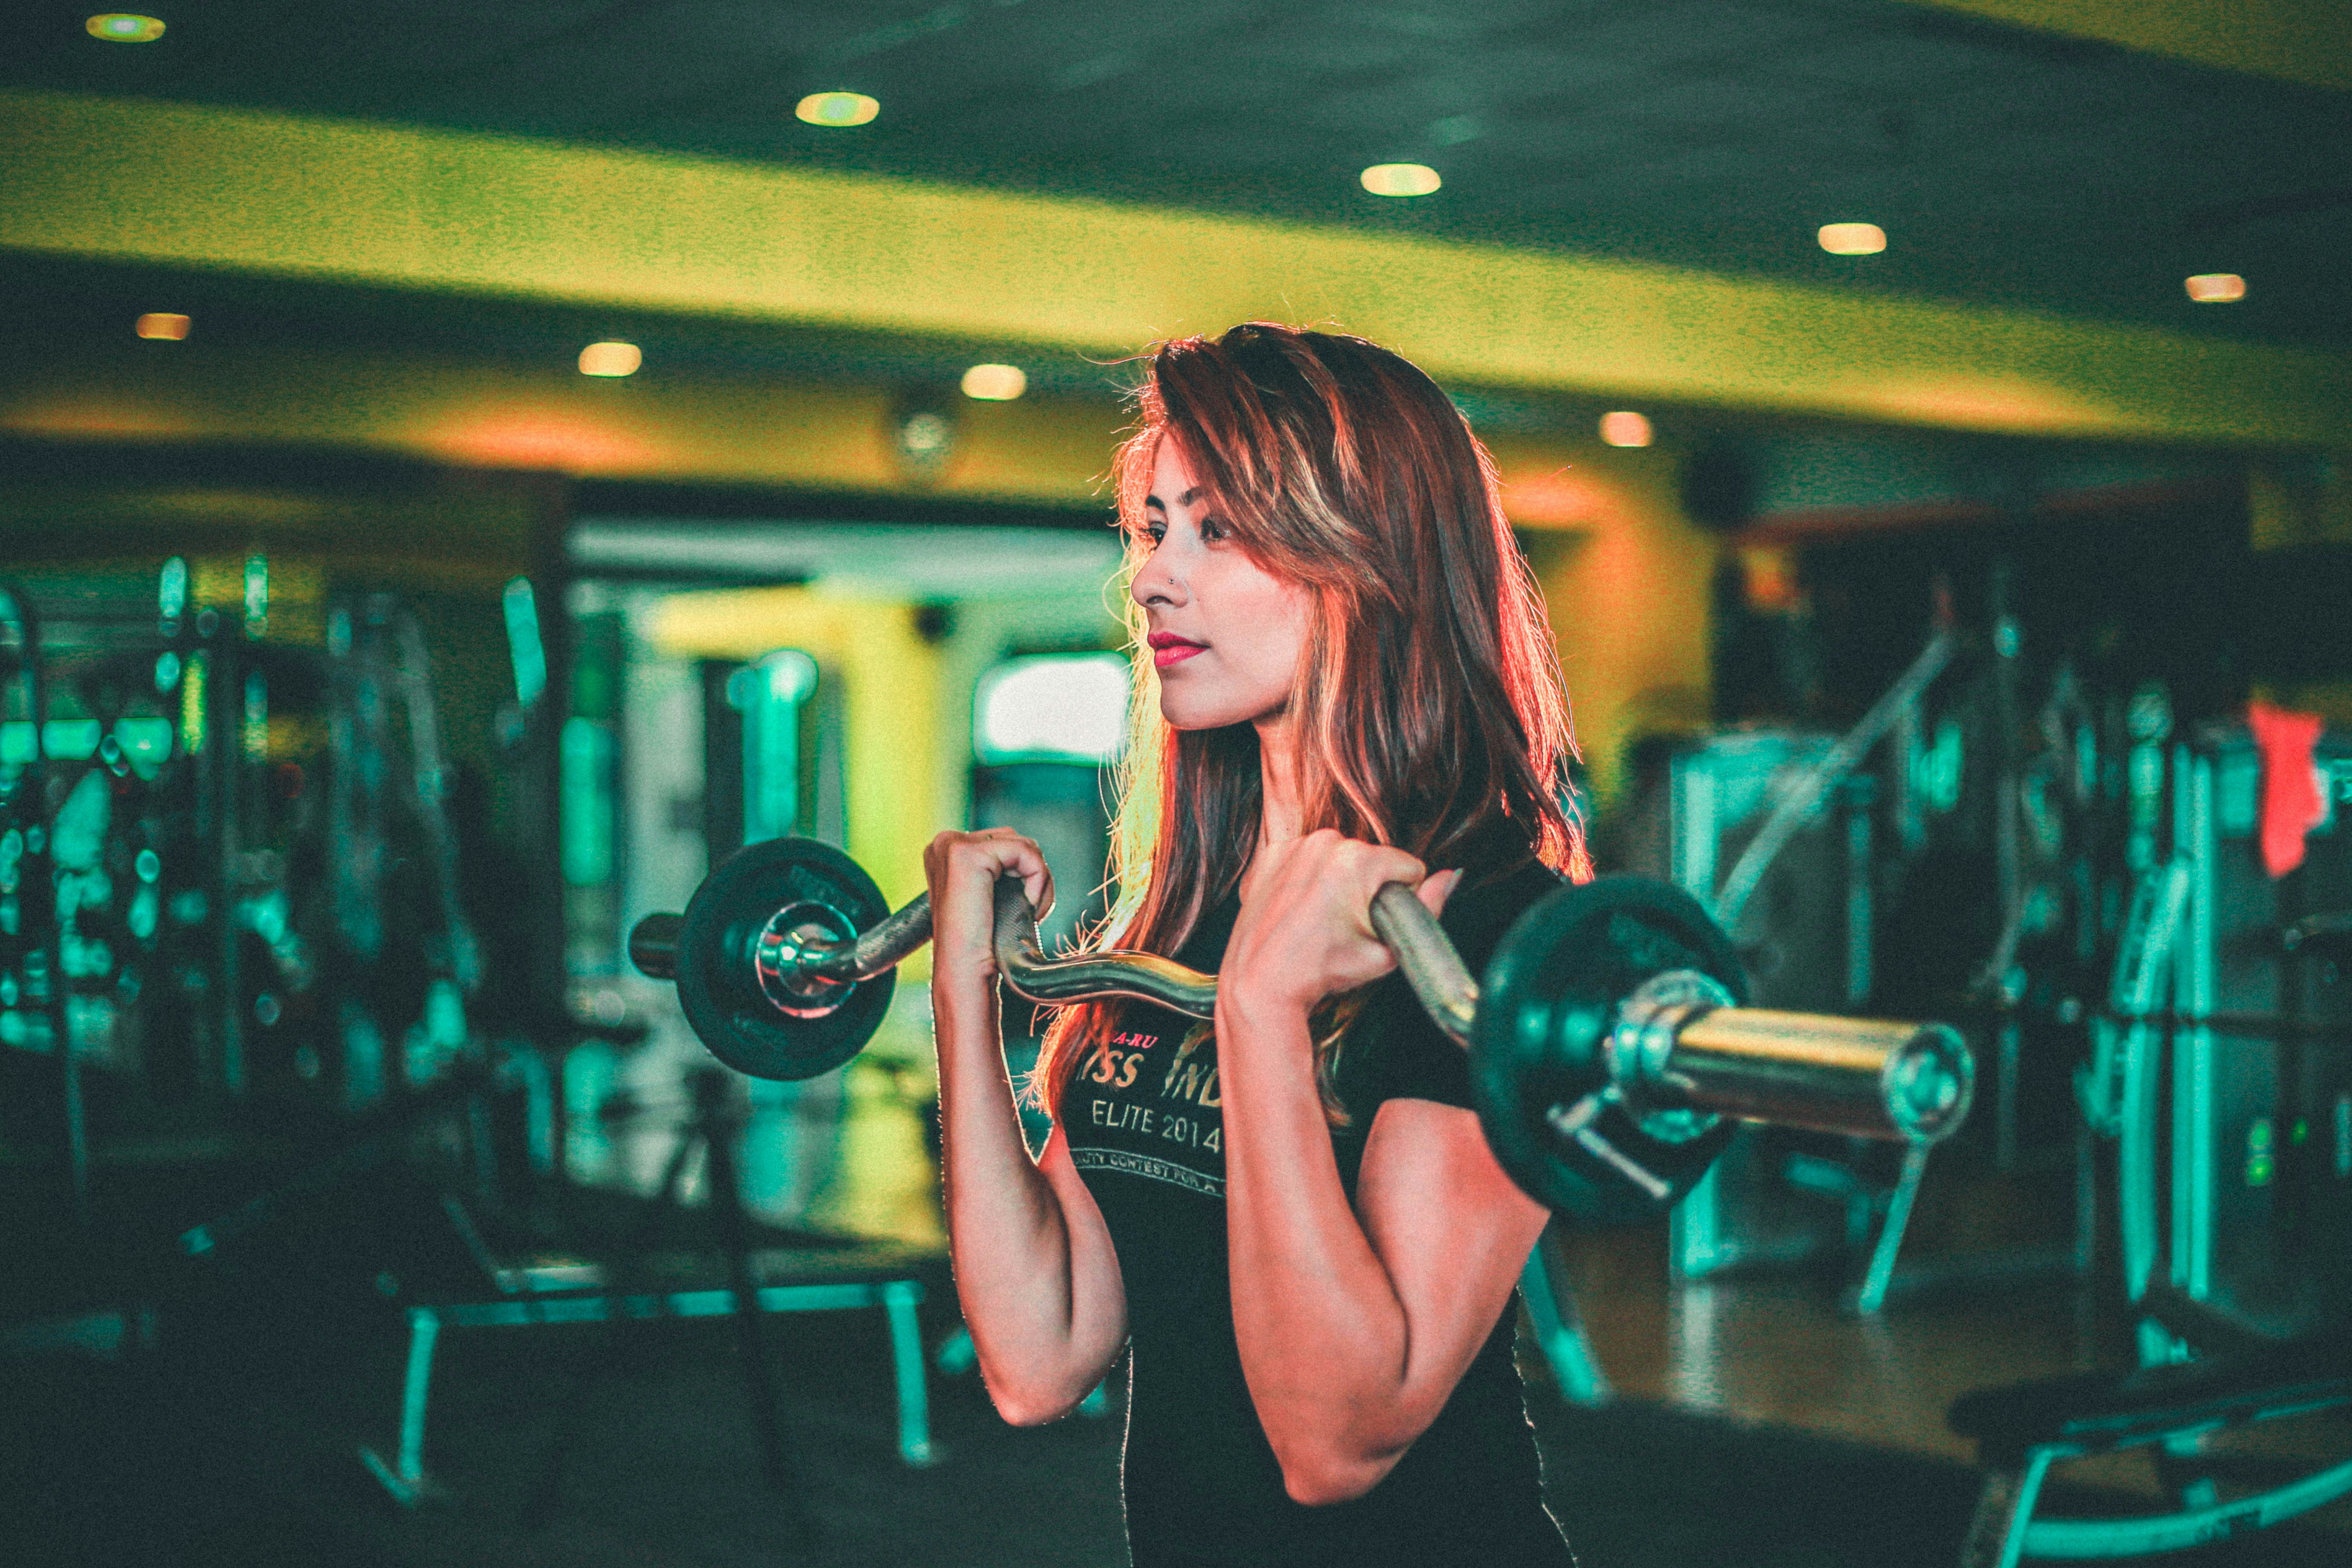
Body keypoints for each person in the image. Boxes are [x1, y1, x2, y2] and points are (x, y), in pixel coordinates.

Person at [924, 323, 1587, 1566]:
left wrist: (1263, 1019)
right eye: (1154, 527)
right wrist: (965, 991)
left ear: (1367, 557)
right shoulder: (1190, 917)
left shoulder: (1494, 931)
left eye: (1219, 529)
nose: (1156, 578)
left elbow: (1337, 1442)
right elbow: (1038, 1354)